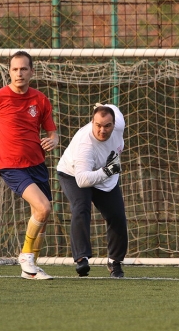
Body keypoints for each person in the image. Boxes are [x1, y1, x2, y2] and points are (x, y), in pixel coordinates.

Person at [0, 50, 58, 280]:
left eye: (24, 69)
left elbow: (52, 132)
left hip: (36, 163)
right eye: (15, 69)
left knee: (43, 216)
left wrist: (53, 140)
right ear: (9, 72)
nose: (19, 73)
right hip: (10, 164)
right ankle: (26, 257)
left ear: (32, 72)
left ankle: (31, 268)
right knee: (43, 207)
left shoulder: (40, 99)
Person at [57, 103, 128, 278]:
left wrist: (102, 105)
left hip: (105, 178)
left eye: (107, 126)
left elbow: (111, 107)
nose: (102, 130)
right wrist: (107, 171)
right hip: (74, 175)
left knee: (117, 216)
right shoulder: (85, 144)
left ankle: (115, 262)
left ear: (114, 124)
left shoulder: (119, 123)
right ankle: (81, 258)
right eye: (98, 125)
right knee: (81, 207)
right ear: (92, 122)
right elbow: (82, 180)